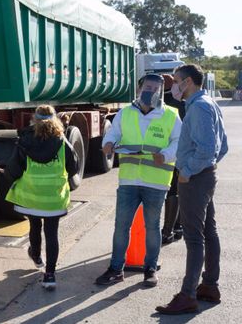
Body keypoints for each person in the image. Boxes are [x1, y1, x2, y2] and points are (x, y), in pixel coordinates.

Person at [95, 74, 182, 287]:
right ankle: (116, 269)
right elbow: (113, 134)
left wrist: (166, 155)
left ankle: (150, 268)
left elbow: (179, 141)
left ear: (162, 91)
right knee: (121, 226)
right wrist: (108, 144)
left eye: (156, 87)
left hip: (156, 181)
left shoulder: (171, 114)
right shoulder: (125, 113)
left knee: (152, 227)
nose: (151, 90)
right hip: (129, 180)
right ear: (139, 88)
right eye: (148, 86)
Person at [156, 64, 228, 315]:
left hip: (195, 179)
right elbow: (223, 147)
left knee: (195, 237)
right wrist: (207, 168)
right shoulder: (208, 103)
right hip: (204, 177)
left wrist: (187, 172)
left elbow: (208, 149)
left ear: (187, 82)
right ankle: (209, 286)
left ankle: (187, 295)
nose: (173, 86)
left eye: (175, 81)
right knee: (209, 231)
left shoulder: (198, 107)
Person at [4, 105, 79, 290]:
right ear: (55, 120)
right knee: (51, 234)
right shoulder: (62, 142)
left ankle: (37, 257)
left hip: (31, 196)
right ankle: (50, 275)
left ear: (34, 119)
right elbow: (74, 168)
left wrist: (10, 178)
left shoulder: (25, 141)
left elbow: (13, 170)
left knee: (34, 226)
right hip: (54, 198)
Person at [161, 74, 186, 244]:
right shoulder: (182, 105)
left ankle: (168, 229)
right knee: (175, 190)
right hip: (178, 152)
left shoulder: (156, 105)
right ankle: (174, 227)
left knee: (166, 191)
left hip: (158, 153)